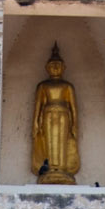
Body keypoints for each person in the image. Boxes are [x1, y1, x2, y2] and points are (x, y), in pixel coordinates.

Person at [32, 47, 80, 182]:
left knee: (62, 141)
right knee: (49, 141)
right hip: (47, 114)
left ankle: (62, 169)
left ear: (63, 67)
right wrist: (35, 123)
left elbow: (73, 107)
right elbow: (38, 106)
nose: (55, 68)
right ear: (47, 67)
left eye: (58, 65)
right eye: (52, 65)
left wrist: (75, 125)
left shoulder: (67, 86)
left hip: (63, 114)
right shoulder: (43, 86)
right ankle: (50, 169)